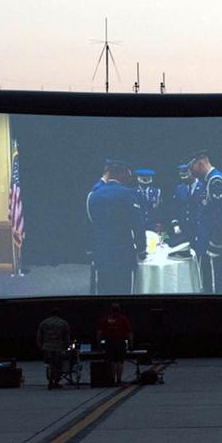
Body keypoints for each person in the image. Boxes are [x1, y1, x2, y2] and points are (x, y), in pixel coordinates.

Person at [86, 159, 146, 295]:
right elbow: (138, 225)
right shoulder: (128, 194)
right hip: (123, 253)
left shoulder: (94, 195)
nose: (128, 179)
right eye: (127, 175)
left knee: (104, 290)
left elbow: (91, 223)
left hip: (102, 252)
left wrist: (91, 249)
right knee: (123, 290)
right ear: (120, 174)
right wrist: (142, 248)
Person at [185, 150, 222, 294]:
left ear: (200, 163)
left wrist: (215, 242)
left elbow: (221, 215)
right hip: (205, 237)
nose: (191, 172)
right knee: (206, 276)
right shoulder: (208, 180)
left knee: (213, 279)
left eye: (192, 168)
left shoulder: (216, 181)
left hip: (212, 240)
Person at [96, 303, 133, 386]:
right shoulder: (123, 319)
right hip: (120, 342)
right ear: (119, 310)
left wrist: (99, 344)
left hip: (109, 342)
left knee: (111, 362)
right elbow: (129, 333)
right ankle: (119, 379)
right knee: (120, 362)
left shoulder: (105, 319)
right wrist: (130, 344)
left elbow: (99, 333)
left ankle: (112, 379)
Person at [166, 163, 197, 259]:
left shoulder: (203, 187)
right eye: (182, 176)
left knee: (199, 257)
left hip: (198, 228)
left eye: (186, 176)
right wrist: (175, 224)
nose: (184, 179)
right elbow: (174, 208)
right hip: (184, 228)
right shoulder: (179, 188)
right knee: (184, 257)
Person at [36, 308, 71, 390]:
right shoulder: (63, 323)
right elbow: (66, 336)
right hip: (58, 347)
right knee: (58, 365)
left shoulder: (44, 322)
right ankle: (56, 381)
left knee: (49, 363)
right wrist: (67, 345)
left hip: (47, 347)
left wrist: (40, 345)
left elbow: (39, 335)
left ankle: (50, 380)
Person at [133, 168, 162, 232]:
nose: (145, 179)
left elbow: (160, 209)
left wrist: (159, 222)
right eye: (143, 177)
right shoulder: (133, 192)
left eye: (147, 177)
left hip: (153, 225)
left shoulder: (156, 192)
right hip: (137, 225)